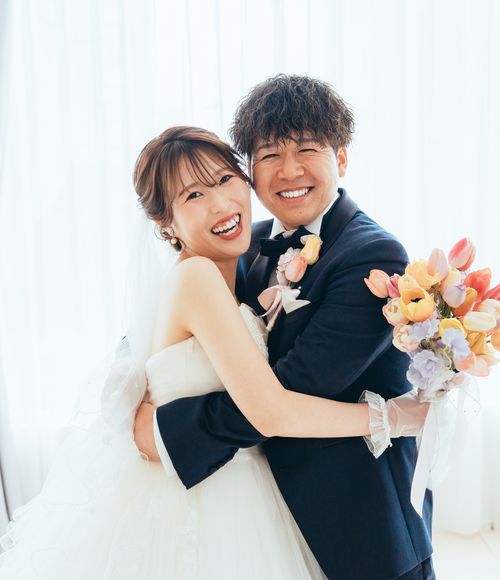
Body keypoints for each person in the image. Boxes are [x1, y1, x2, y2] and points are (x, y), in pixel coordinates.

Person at [0, 125, 426, 579]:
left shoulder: (248, 254)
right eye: (194, 195)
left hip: (278, 492)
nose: (221, 204)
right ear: (165, 224)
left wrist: (159, 423)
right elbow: (271, 409)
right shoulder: (199, 275)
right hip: (205, 496)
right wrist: (391, 418)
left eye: (224, 180)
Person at [135, 75, 436, 580]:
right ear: (252, 170)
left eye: (307, 149)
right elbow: (162, 338)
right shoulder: (240, 245)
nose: (289, 170)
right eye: (270, 154)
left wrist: (167, 432)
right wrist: (132, 396)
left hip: (360, 521)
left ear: (342, 159)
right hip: (256, 515)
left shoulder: (373, 256)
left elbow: (288, 392)